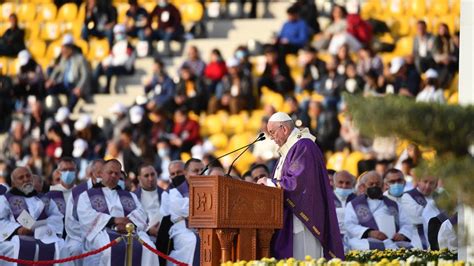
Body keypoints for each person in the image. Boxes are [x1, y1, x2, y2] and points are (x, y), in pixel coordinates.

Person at [257, 112, 343, 260]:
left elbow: (297, 182)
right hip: (291, 217)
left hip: (303, 220)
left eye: (272, 132)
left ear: (284, 129)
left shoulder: (303, 146)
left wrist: (269, 183)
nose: (271, 137)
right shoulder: (289, 149)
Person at [77, 159, 159, 265]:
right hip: (103, 231)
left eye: (117, 173)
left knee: (150, 248)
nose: (113, 175)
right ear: (101, 173)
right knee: (109, 251)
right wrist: (114, 220)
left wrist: (128, 224)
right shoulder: (87, 196)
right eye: (110, 172)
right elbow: (86, 216)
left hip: (131, 230)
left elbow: (141, 213)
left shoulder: (130, 196)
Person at [0, 167, 64, 262]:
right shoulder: (5, 199)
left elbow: (57, 217)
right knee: (12, 248)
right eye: (21, 178)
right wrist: (18, 229)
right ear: (13, 183)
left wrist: (45, 226)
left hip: (44, 236)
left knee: (61, 246)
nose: (26, 179)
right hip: (18, 238)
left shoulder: (45, 199)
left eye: (28, 176)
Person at [344, 171, 413, 250]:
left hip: (392, 241)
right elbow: (350, 224)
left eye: (377, 184)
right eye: (371, 184)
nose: (375, 186)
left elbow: (406, 223)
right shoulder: (354, 204)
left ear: (383, 185)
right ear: (363, 187)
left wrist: (402, 234)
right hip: (365, 241)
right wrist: (369, 232)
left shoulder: (394, 204)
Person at [63, 159, 104, 265]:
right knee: (77, 250)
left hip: (103, 234)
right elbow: (71, 221)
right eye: (100, 172)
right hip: (79, 236)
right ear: (91, 173)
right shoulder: (78, 192)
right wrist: (87, 236)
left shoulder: (111, 190)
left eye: (105, 172)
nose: (103, 175)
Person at [164, 158, 203, 265]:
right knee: (193, 241)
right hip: (182, 228)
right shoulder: (176, 190)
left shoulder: (209, 188)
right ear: (186, 173)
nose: (200, 174)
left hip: (205, 227)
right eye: (196, 171)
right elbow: (185, 209)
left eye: (202, 170)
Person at [45, 40, 92, 111]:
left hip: (75, 84)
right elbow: (57, 70)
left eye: (64, 51)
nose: (63, 53)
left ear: (70, 50)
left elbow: (85, 75)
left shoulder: (80, 59)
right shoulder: (63, 59)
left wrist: (79, 87)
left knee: (75, 94)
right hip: (64, 83)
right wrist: (51, 80)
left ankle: (68, 110)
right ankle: (54, 107)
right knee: (50, 88)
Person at [93, 24, 136, 94]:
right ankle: (94, 88)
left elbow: (126, 59)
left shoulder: (128, 45)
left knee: (109, 69)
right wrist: (105, 63)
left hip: (126, 67)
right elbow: (111, 56)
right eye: (116, 33)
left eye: (119, 33)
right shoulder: (115, 45)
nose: (118, 35)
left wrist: (111, 64)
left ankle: (107, 89)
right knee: (100, 67)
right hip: (115, 66)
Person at [401, 174, 441, 249]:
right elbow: (418, 217)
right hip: (419, 243)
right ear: (419, 181)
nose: (427, 186)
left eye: (431, 183)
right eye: (425, 182)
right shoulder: (407, 196)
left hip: (440, 241)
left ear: (436, 185)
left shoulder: (440, 197)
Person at [134, 164, 164, 241]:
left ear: (157, 175)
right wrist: (148, 231)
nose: (150, 178)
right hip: (143, 235)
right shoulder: (133, 197)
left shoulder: (166, 194)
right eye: (146, 176)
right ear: (139, 178)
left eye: (152, 174)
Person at [332, 171, 356, 239]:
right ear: (334, 183)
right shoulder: (327, 199)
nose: (344, 186)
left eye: (347, 183)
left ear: (352, 184)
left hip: (352, 237)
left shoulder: (357, 200)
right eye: (341, 182)